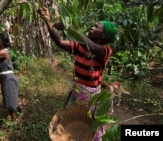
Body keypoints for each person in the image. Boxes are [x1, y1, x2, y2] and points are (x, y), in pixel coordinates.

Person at [38, 7, 117, 141]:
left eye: (96, 26)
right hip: (78, 90)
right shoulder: (80, 46)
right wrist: (48, 21)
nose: (92, 27)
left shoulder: (105, 50)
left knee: (92, 126)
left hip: (91, 94)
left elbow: (93, 47)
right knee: (78, 123)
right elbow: (59, 42)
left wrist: (70, 28)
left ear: (103, 35)